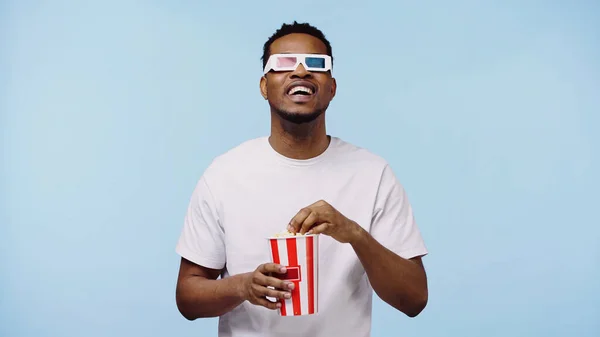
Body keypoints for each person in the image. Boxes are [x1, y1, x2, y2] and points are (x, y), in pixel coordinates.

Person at [175, 21, 429, 337]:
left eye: (316, 64)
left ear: (332, 87)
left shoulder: (372, 173)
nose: (300, 70)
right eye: (282, 64)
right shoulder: (225, 174)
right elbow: (187, 297)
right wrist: (243, 286)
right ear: (264, 86)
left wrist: (354, 234)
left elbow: (415, 299)